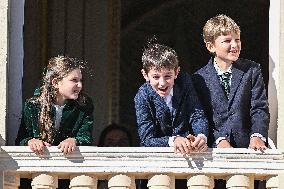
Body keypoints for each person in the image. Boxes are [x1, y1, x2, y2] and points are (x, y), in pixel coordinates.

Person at [193, 14, 269, 188]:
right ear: (211, 46)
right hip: (214, 156)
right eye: (227, 40)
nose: (235, 45)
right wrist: (219, 139)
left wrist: (257, 136)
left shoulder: (252, 70)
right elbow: (200, 117)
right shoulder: (198, 78)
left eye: (238, 39)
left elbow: (259, 107)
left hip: (249, 152)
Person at [15, 55, 94, 188]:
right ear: (56, 82)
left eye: (81, 80)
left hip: (68, 174)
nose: (80, 85)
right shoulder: (33, 105)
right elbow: (20, 139)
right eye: (74, 80)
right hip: (38, 175)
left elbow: (86, 136)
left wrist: (74, 140)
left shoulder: (84, 106)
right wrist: (31, 141)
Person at [134, 41, 209, 154]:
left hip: (188, 153)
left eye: (168, 76)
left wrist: (201, 136)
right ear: (145, 75)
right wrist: (174, 140)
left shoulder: (185, 83)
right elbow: (146, 139)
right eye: (156, 77)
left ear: (176, 72)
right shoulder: (142, 96)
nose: (162, 83)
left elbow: (197, 114)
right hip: (156, 157)